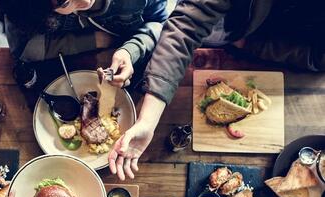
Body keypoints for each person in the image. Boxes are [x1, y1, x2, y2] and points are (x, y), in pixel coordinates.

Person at [108, 0, 325, 181]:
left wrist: (255, 46)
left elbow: (317, 57)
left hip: (294, 67)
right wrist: (147, 121)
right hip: (234, 28)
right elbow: (187, 26)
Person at [0, 0, 168, 88]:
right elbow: (23, 48)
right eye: (65, 2)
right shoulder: (27, 10)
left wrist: (132, 49)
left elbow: (163, 23)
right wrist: (94, 40)